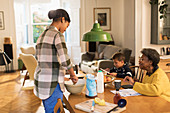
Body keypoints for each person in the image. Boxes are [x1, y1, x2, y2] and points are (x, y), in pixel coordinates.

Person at [33, 9, 78, 113]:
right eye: (67, 25)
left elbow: (41, 58)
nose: (66, 29)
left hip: (42, 82)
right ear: (63, 20)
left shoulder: (42, 35)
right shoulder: (57, 35)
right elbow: (65, 59)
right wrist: (72, 75)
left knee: (49, 110)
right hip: (52, 84)